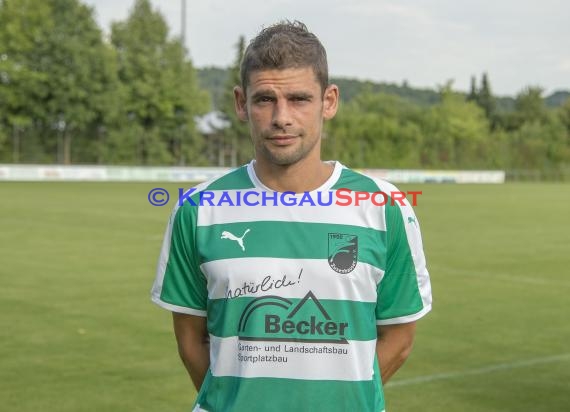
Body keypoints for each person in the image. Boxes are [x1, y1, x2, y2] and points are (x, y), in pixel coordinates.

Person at [151, 20, 432, 412]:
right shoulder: (198, 209)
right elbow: (190, 342)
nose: (281, 117)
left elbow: (399, 339)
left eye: (299, 99)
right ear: (240, 103)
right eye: (265, 99)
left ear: (329, 101)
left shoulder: (384, 207)